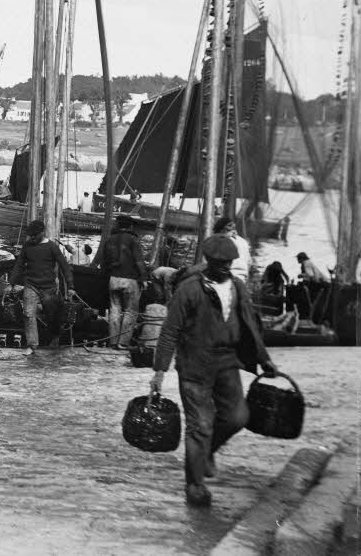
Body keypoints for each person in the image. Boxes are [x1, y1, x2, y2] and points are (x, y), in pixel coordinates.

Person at [151, 235, 278, 507]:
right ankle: (195, 484)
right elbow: (170, 331)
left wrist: (264, 359)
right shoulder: (190, 290)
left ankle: (206, 452)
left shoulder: (238, 287)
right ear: (208, 261)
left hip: (227, 361)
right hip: (195, 365)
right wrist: (159, 371)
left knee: (237, 416)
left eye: (228, 263)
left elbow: (251, 324)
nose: (224, 267)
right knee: (201, 424)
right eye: (219, 262)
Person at [9, 219, 72, 354]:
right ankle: (32, 345)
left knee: (51, 315)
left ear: (42, 233)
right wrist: (12, 282)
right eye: (31, 236)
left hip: (48, 287)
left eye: (35, 235)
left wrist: (71, 286)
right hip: (31, 285)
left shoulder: (52, 247)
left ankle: (55, 336)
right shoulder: (27, 246)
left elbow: (65, 266)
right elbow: (19, 265)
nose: (32, 238)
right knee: (28, 314)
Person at [96, 214, 149, 349]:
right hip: (130, 280)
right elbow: (139, 261)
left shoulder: (109, 240)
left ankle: (113, 341)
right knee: (131, 311)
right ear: (130, 226)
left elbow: (104, 262)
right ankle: (123, 343)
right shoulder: (133, 240)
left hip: (113, 279)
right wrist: (144, 278)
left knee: (114, 310)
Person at [213, 217, 251, 282]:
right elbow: (249, 263)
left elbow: (216, 263)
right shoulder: (243, 241)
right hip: (243, 278)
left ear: (221, 230)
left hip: (228, 279)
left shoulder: (222, 241)